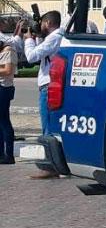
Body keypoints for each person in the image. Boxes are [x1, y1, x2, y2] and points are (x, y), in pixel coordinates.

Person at [24, 10, 63, 179]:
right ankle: (54, 163)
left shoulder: (54, 38)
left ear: (47, 23)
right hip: (52, 84)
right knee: (51, 125)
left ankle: (49, 166)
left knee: (47, 126)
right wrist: (39, 37)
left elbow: (32, 56)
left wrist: (29, 40)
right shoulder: (56, 37)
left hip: (48, 85)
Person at [0, 35, 16, 164]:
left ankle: (9, 154)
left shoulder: (8, 50)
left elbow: (8, 70)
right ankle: (1, 153)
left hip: (4, 88)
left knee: (4, 121)